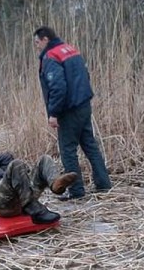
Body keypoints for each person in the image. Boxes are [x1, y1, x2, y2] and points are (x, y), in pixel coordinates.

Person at [34, 26, 112, 201]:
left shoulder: (51, 56)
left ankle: (76, 191)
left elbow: (58, 87)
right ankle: (104, 184)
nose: (37, 46)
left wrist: (53, 113)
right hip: (83, 105)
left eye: (37, 42)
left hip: (68, 110)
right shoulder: (70, 50)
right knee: (90, 145)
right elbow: (85, 75)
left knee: (68, 150)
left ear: (45, 39)